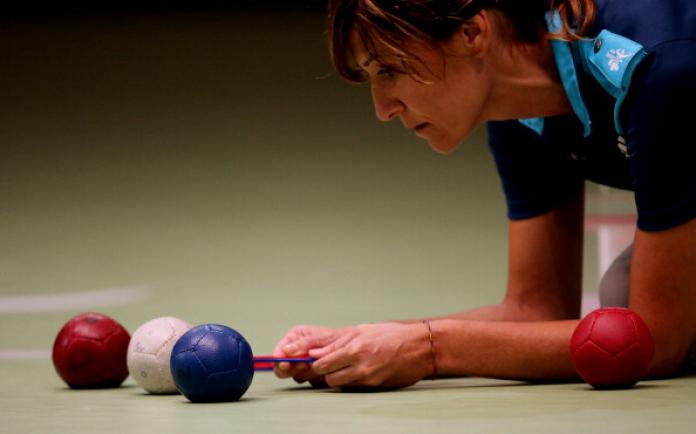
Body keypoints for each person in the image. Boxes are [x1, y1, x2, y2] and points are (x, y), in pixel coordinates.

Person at [272, 0, 696, 390]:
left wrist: (429, 348)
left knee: (623, 306)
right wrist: (362, 342)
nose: (382, 109)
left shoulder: (652, 63)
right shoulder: (518, 110)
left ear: (472, 34)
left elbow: (652, 338)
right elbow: (536, 308)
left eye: (389, 70)